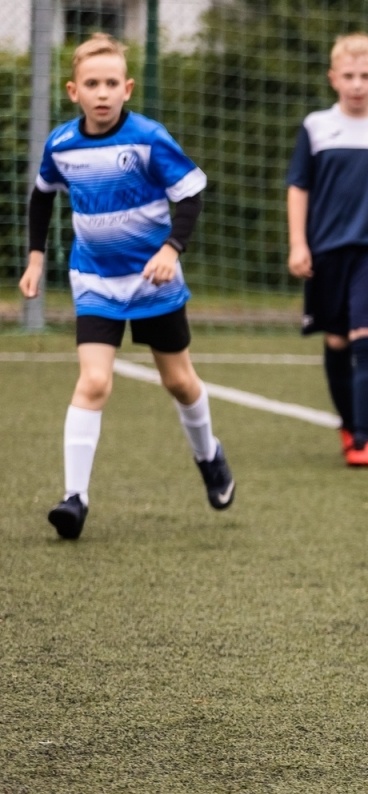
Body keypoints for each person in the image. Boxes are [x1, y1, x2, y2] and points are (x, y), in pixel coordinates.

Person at [19, 33, 232, 541]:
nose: (102, 92)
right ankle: (75, 499)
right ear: (74, 91)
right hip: (94, 278)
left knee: (179, 382)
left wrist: (169, 250)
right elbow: (42, 197)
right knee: (93, 382)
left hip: (154, 282)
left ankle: (209, 456)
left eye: (111, 83)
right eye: (92, 83)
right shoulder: (62, 145)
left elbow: (192, 195)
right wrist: (34, 259)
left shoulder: (149, 138)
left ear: (127, 88)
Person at [287, 33, 368, 467]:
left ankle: (364, 438)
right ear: (333, 79)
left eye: (366, 76)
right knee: (336, 339)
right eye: (349, 76)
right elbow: (298, 187)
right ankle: (348, 424)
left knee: (366, 334)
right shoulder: (316, 126)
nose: (357, 84)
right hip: (325, 251)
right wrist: (298, 243)